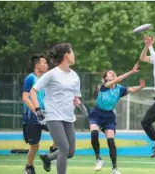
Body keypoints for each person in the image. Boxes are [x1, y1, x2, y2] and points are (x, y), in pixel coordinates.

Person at [29, 43, 82, 174]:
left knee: (70, 152)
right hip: (53, 116)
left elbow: (75, 97)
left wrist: (79, 103)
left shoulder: (75, 76)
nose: (74, 55)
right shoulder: (51, 74)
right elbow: (33, 91)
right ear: (66, 56)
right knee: (64, 148)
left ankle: (48, 158)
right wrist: (37, 109)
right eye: (72, 52)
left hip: (68, 117)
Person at [89, 62, 145, 174]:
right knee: (94, 133)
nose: (112, 73)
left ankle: (114, 168)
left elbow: (131, 89)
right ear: (105, 78)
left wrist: (140, 87)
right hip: (97, 113)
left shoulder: (119, 89)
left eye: (113, 73)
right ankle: (98, 159)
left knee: (111, 141)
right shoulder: (103, 87)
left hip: (109, 116)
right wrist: (131, 72)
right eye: (109, 73)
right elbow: (118, 80)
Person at [22, 54, 57, 174]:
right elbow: (25, 97)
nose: (47, 65)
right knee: (35, 146)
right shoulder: (30, 78)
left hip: (47, 115)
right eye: (45, 63)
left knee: (59, 132)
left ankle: (50, 154)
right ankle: (29, 167)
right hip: (32, 118)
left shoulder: (47, 79)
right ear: (37, 65)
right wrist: (36, 112)